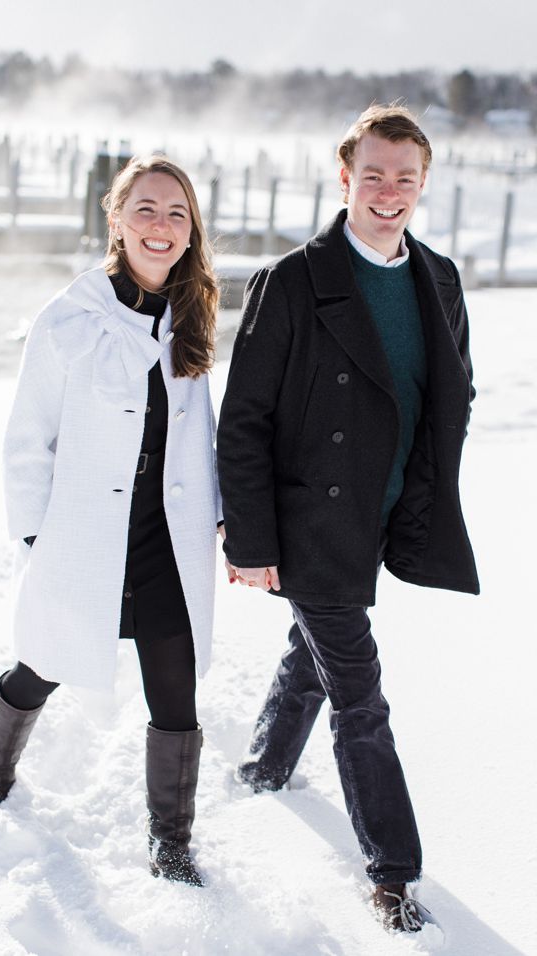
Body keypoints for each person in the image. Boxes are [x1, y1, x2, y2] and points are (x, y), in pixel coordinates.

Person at [217, 104, 478, 933]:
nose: (388, 191)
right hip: (312, 520)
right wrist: (250, 536)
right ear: (345, 178)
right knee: (360, 694)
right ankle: (392, 874)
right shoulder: (294, 280)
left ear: (423, 182)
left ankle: (264, 767)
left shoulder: (439, 278)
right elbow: (244, 416)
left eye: (405, 177)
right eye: (373, 175)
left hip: (388, 510)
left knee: (317, 648)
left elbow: (455, 391)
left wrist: (426, 492)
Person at [0, 155, 224, 886]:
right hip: (84, 535)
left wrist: (217, 516)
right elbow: (28, 440)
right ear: (116, 220)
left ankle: (171, 842)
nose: (161, 226)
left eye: (177, 214)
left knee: (175, 687)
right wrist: (38, 538)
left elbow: (200, 436)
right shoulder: (68, 320)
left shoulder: (190, 316)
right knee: (45, 664)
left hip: (166, 539)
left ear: (191, 232)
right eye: (145, 209)